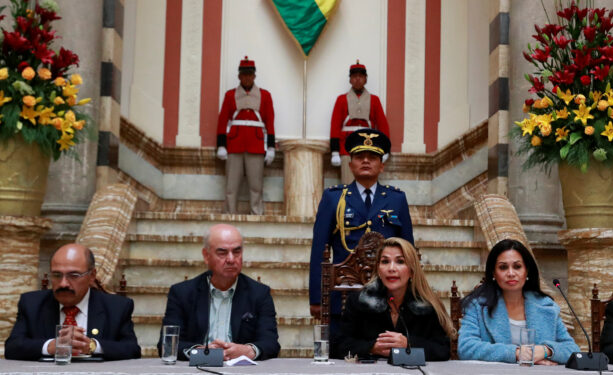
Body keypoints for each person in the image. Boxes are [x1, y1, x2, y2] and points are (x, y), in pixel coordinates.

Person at [309, 129, 414, 322]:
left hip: (387, 293)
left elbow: (408, 251)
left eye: (372, 157)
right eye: (359, 156)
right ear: (350, 165)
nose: (366, 161)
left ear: (381, 166)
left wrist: (410, 295)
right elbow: (319, 250)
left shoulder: (396, 199)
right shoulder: (334, 198)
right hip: (343, 294)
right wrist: (317, 297)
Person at [160, 224, 280, 361]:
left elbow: (270, 343)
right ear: (206, 256)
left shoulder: (259, 293)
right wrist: (201, 353)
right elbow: (167, 345)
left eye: (236, 252)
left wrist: (248, 350)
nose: (231, 259)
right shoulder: (182, 293)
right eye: (222, 252)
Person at [4, 244, 141, 361]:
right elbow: (13, 347)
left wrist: (92, 346)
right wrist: (51, 346)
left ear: (92, 276)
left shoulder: (117, 307)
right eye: (57, 275)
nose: (63, 283)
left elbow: (132, 349)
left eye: (73, 276)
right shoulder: (32, 304)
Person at [458, 239, 579, 364]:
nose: (511, 273)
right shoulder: (478, 306)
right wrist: (516, 353)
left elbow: (572, 349)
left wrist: (546, 350)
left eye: (517, 266)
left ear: (526, 271)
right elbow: (466, 347)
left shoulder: (546, 306)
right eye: (503, 267)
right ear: (493, 273)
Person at [333, 237, 453, 360]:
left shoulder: (427, 304)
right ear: (378, 269)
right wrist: (371, 347)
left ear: (412, 271)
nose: (391, 268)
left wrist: (408, 344)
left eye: (400, 262)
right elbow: (338, 346)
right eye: (385, 262)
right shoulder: (358, 301)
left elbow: (442, 350)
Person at [216, 56, 275, 215]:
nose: (247, 77)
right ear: (239, 76)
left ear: (254, 76)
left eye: (250, 74)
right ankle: (229, 213)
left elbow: (269, 122)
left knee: (256, 185)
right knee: (231, 185)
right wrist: (221, 145)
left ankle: (256, 213)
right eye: (244, 74)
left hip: (256, 145)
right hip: (234, 144)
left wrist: (270, 147)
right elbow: (222, 121)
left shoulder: (265, 96)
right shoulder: (230, 95)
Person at [330, 60, 390, 183]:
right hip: (347, 147)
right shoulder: (341, 100)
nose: (358, 79)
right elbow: (335, 125)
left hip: (370, 145)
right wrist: (335, 151)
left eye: (361, 76)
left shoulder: (374, 100)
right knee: (348, 183)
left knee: (368, 182)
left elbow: (383, 125)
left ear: (366, 79)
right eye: (354, 76)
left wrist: (385, 149)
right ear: (350, 79)